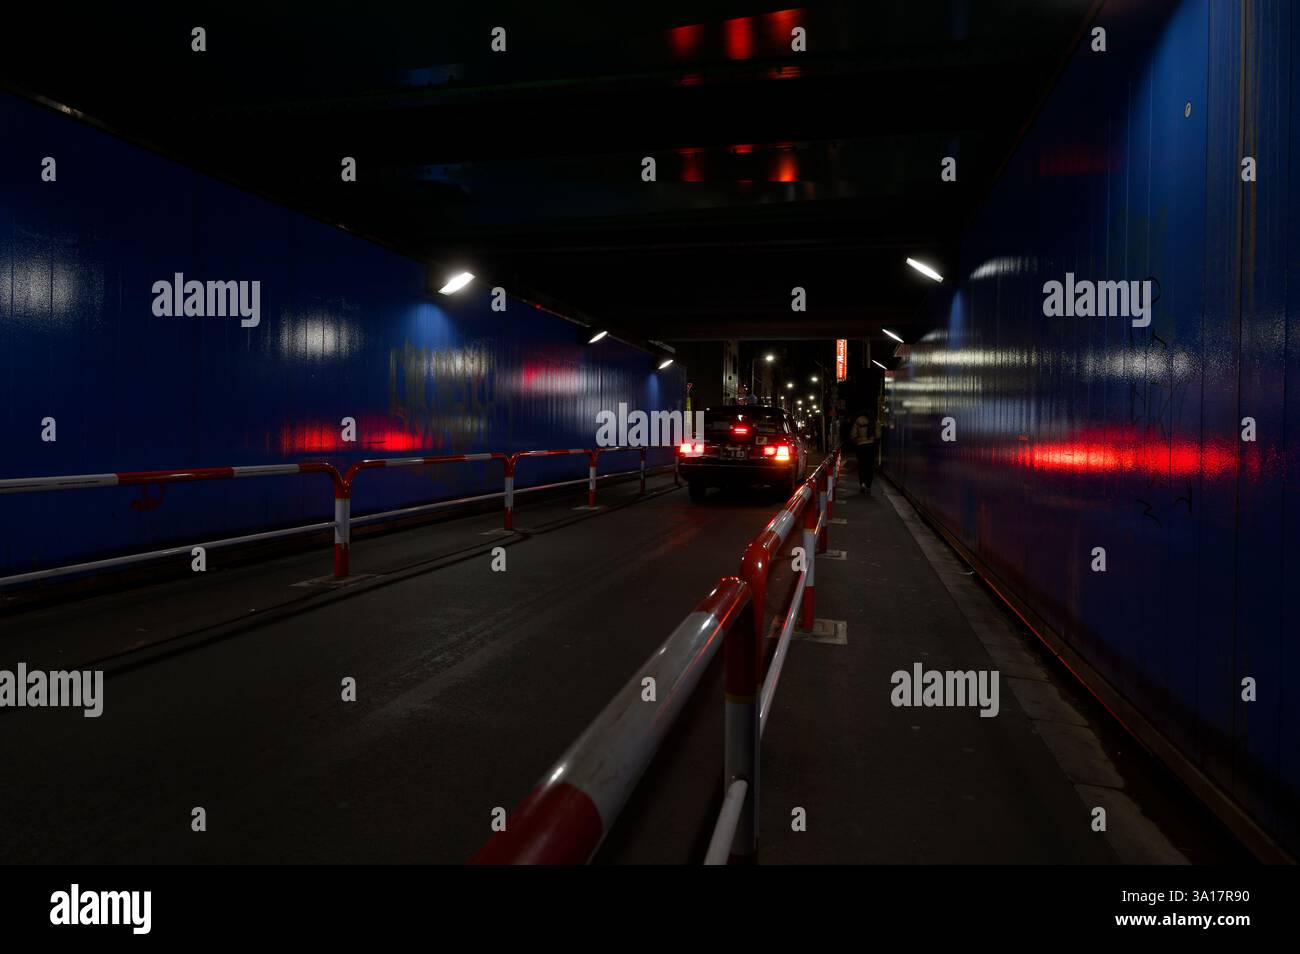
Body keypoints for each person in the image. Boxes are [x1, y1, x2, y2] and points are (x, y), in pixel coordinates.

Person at [849, 410, 876, 493]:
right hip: (871, 446)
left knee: (862, 465)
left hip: (861, 446)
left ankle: (863, 484)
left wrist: (858, 440)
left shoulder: (858, 421)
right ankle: (868, 485)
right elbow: (878, 434)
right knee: (870, 466)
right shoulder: (873, 420)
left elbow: (853, 435)